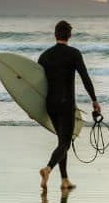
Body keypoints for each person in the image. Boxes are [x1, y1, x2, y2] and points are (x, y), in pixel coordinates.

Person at [37, 20, 100, 191]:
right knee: (65, 143)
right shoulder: (74, 54)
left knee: (61, 141)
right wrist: (94, 100)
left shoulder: (44, 56)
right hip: (66, 105)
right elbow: (85, 78)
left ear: (55, 34)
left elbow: (36, 84)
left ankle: (64, 180)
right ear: (69, 35)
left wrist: (32, 108)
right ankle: (48, 169)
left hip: (50, 104)